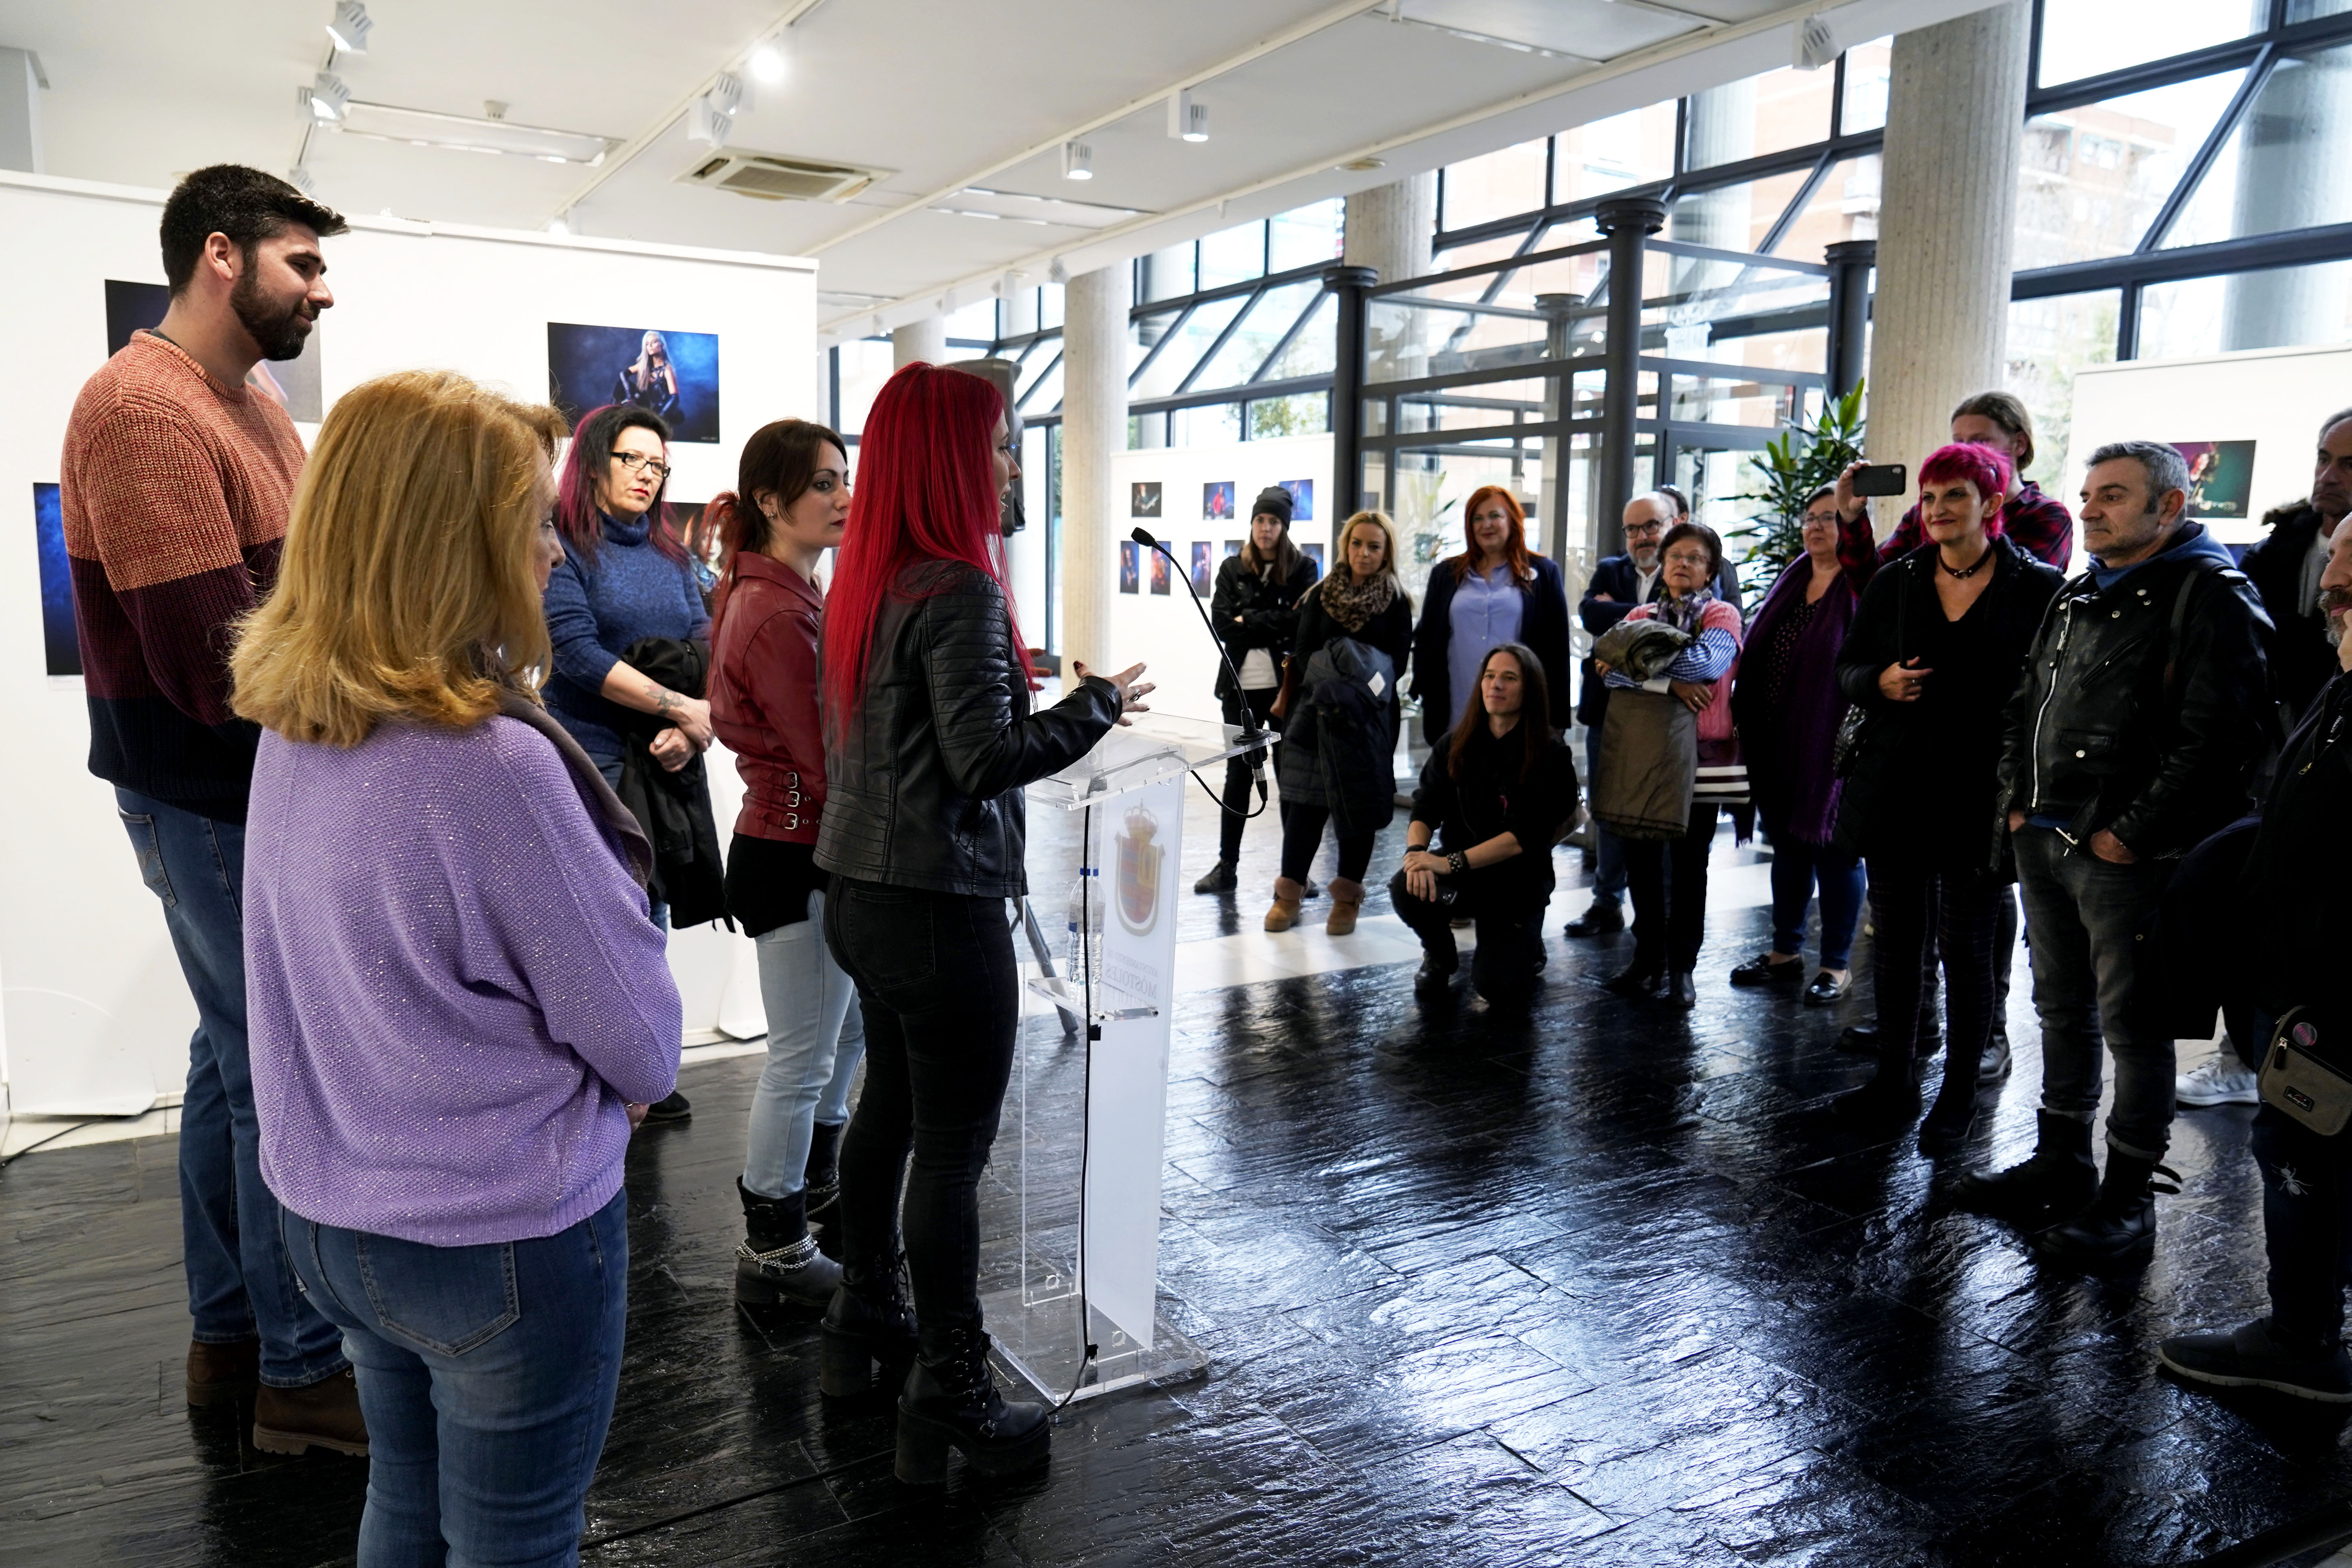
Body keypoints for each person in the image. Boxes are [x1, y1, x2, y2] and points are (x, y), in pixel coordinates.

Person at [233, 370, 680, 1556]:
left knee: (404, 1504)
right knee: (513, 1543)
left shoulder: (295, 718)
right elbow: (642, 1043)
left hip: (332, 1218)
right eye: (528, 520)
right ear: (448, 545)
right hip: (497, 1235)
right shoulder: (492, 763)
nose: (552, 550)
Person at [58, 164, 363, 1452]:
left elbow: (296, 602)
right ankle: (299, 1372)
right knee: (268, 1070)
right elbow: (214, 667)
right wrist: (379, 707)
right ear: (223, 256)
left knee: (225, 1059)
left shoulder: (252, 398)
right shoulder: (142, 412)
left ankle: (231, 1341)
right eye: (305, 263)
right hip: (207, 791)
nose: (323, 291)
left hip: (247, 787)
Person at [815, 362, 1140, 1483]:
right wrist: (1097, 705)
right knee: (950, 1154)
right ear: (954, 456)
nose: (1010, 463)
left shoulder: (869, 581)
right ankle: (950, 1389)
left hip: (862, 894)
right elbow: (985, 759)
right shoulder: (955, 587)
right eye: (1000, 444)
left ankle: (866, 1317)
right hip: (936, 907)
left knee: (889, 1113)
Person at [1964, 441, 2274, 1263]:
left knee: (2135, 1029)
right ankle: (2061, 1160)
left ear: (2168, 506)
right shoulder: (2078, 591)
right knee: (2060, 1009)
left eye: (2111, 496)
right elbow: (2023, 705)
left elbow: (2223, 740)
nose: (2088, 509)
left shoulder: (2212, 595)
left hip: (2125, 853)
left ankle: (2127, 1195)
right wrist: (2014, 802)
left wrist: (2130, 832)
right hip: (2045, 835)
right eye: (2087, 494)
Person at [2158, 522, 2352, 1403]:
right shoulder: (2342, 684)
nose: (2328, 586)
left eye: (2346, 573)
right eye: (2332, 565)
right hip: (2298, 976)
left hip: (2329, 992)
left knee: (2304, 1153)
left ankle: (2302, 1344)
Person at [1827, 446, 2064, 1149]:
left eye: (1954, 495)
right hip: (1896, 787)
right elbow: (1848, 667)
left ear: (1992, 504)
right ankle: (1894, 1079)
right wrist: (1878, 682)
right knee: (1898, 944)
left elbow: (2052, 702)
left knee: (1966, 948)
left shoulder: (2038, 586)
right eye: (1928, 498)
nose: (1936, 510)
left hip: (1981, 795)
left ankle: (1959, 1090)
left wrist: (2032, 795)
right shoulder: (1896, 581)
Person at [705, 420, 867, 1308]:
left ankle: (819, 1191)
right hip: (794, 852)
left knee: (843, 1037)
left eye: (844, 479)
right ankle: (772, 1249)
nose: (843, 497)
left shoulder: (788, 594)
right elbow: (825, 760)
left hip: (804, 847)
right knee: (803, 1057)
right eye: (823, 484)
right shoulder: (773, 611)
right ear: (770, 501)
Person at [542, 403, 711, 1114]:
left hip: (664, 759)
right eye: (632, 459)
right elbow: (575, 652)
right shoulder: (565, 546)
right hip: (593, 760)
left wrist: (692, 727)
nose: (647, 474)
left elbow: (706, 641)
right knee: (598, 919)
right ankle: (599, 1076)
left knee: (652, 915)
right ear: (593, 462)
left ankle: (643, 1068)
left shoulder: (672, 555)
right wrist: (678, 709)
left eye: (659, 465)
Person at [1727, 485, 1868, 1005]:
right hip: (1774, 741)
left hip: (1832, 749)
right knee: (1787, 848)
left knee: (1834, 854)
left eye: (1829, 517)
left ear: (1850, 526)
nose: (1815, 527)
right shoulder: (1792, 578)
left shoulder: (1862, 585)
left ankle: (1835, 966)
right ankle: (1784, 952)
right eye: (1809, 517)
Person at [1594, 520, 1743, 1009]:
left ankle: (1682, 967)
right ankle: (1646, 958)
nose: (1683, 564)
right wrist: (1670, 685)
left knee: (1689, 866)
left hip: (1699, 757)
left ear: (1710, 571)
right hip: (1644, 753)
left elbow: (1706, 665)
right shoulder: (1639, 613)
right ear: (1662, 565)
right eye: (1675, 556)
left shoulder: (1722, 614)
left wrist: (1640, 663)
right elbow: (1606, 671)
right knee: (1640, 859)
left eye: (1695, 558)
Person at [1393, 644, 1578, 1006]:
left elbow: (1521, 838)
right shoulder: (1455, 744)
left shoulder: (1550, 755)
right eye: (1490, 676)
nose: (1496, 685)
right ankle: (1440, 955)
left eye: (1509, 678)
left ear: (1529, 689)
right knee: (1408, 887)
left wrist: (1448, 863)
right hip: (1461, 889)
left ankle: (1526, 940)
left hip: (1514, 890)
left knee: (1497, 988)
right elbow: (1426, 806)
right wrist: (1416, 855)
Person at [1266, 510, 1414, 936]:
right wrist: (1337, 675)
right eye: (1356, 544)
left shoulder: (1397, 601)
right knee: (1304, 806)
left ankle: (1347, 899)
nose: (1363, 553)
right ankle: (1288, 895)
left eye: (1374, 546)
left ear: (1386, 552)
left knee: (1357, 808)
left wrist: (1356, 687)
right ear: (1345, 546)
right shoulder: (1320, 594)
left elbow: (1396, 663)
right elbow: (1304, 651)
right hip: (1315, 714)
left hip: (1367, 720)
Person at [1194, 485, 1318, 893]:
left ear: (1284, 527)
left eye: (1274, 522)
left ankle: (1296, 873)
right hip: (1239, 690)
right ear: (1252, 524)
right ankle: (1226, 867)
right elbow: (1222, 624)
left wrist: (1248, 619)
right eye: (1260, 521)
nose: (1266, 529)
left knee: (1290, 778)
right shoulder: (1232, 568)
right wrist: (1270, 620)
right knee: (1238, 777)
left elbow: (1301, 626)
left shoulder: (1303, 569)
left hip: (1287, 689)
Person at [1567, 493, 1673, 939]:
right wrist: (1650, 620)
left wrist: (1624, 617)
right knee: (1608, 808)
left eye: (1651, 525)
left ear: (1672, 524)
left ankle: (1661, 909)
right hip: (1608, 709)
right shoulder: (1611, 569)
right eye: (1632, 529)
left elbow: (1678, 630)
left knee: (1659, 811)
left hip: (1661, 713)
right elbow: (1591, 615)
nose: (1641, 537)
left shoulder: (1684, 568)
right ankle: (1606, 902)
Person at [1410, 486, 1573, 742]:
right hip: (1456, 710)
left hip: (1520, 714)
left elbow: (1557, 648)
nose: (1486, 525)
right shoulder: (1446, 574)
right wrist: (1424, 686)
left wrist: (1557, 719)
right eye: (1477, 518)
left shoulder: (1544, 573)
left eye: (1495, 516)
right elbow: (1427, 636)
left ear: (1512, 521)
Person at [2237, 407, 2352, 733]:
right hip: (2264, 730)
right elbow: (2236, 638)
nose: (2327, 477)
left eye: (2350, 465)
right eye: (2323, 459)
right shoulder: (2269, 550)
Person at [613, 328, 679, 419]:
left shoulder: (668, 370)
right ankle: (614, 412)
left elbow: (675, 398)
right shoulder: (644, 366)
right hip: (645, 404)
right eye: (647, 344)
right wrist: (630, 395)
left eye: (654, 342)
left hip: (660, 409)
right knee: (621, 383)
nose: (650, 346)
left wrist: (660, 416)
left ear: (663, 346)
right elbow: (623, 374)